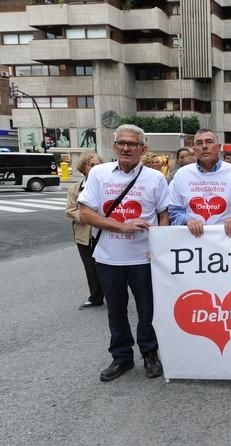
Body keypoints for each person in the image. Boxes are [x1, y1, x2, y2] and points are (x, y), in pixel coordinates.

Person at [77, 124, 169, 381]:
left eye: (132, 144)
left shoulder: (155, 178)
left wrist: (159, 246)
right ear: (114, 146)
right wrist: (122, 226)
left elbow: (164, 214)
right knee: (115, 311)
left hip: (144, 258)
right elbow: (85, 213)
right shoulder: (98, 174)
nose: (126, 148)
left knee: (147, 311)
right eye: (121, 143)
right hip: (108, 257)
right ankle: (122, 358)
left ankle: (150, 354)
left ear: (143, 148)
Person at [168, 129, 231, 238]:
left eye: (209, 142)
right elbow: (174, 211)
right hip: (192, 242)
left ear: (219, 147)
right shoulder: (181, 174)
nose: (204, 146)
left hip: (230, 240)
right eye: (199, 143)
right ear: (195, 150)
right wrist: (187, 220)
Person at [65, 151, 104, 310]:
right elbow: (70, 209)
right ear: (84, 168)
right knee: (90, 268)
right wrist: (87, 217)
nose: (95, 168)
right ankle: (95, 297)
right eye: (92, 165)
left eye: (98, 165)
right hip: (84, 235)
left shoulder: (108, 186)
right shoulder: (75, 188)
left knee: (107, 267)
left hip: (105, 233)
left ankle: (114, 295)